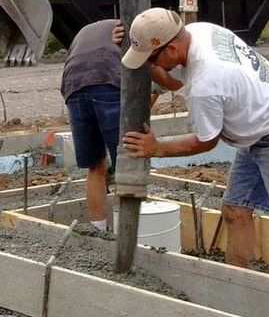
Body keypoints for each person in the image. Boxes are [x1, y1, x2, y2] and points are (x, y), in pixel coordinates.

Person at [121, 7, 269, 287]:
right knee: (235, 211)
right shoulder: (200, 31)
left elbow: (206, 141)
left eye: (152, 59)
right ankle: (239, 287)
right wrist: (148, 65)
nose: (149, 65)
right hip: (260, 127)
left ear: (173, 49)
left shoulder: (206, 83)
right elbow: (176, 79)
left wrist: (158, 148)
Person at [61, 20, 181, 231]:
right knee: (126, 163)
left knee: (95, 165)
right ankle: (124, 232)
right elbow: (166, 85)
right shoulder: (143, 37)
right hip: (109, 79)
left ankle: (98, 229)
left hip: (73, 85)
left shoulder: (96, 29)